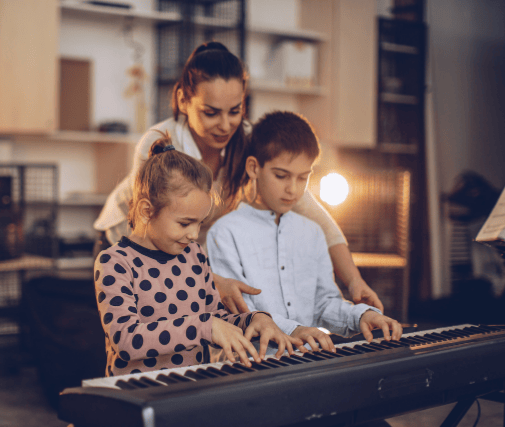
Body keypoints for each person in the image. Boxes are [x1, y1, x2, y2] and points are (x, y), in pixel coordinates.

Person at [93, 41, 383, 316]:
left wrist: (354, 281)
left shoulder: (248, 141)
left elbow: (315, 214)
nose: (225, 125)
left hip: (188, 253)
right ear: (183, 100)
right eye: (211, 113)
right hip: (131, 247)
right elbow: (150, 232)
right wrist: (210, 281)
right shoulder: (157, 142)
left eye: (235, 111)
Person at [93, 135, 302, 377]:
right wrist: (204, 327)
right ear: (146, 211)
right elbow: (126, 341)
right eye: (184, 223)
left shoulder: (194, 255)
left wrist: (255, 320)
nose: (193, 234)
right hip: (138, 395)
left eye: (200, 224)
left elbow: (215, 318)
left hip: (190, 389)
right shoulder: (115, 263)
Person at [207, 111, 403, 353]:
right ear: (254, 168)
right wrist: (295, 329)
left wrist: (360, 316)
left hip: (307, 361)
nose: (293, 189)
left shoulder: (312, 233)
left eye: (303, 178)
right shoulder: (225, 232)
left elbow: (323, 303)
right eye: (281, 176)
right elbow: (241, 311)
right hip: (253, 363)